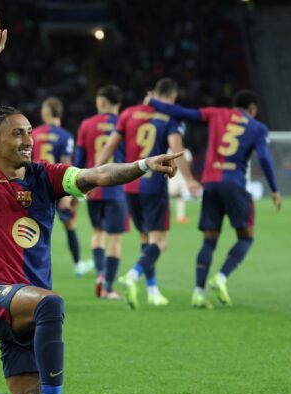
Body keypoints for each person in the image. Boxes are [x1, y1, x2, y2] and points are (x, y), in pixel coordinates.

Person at [0, 16, 182, 394]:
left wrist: (143, 165)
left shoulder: (44, 176)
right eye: (17, 134)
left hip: (27, 304)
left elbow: (97, 174)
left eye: (30, 133)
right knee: (51, 305)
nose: (28, 140)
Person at [148, 89, 281, 308]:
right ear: (253, 110)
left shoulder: (216, 114)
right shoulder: (258, 128)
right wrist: (274, 189)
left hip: (210, 184)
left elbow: (180, 111)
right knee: (246, 237)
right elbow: (265, 158)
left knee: (209, 240)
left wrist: (153, 101)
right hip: (235, 184)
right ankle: (221, 278)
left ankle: (199, 292)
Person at [98, 78, 199, 310]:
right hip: (154, 186)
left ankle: (153, 290)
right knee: (160, 243)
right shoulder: (169, 118)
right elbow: (176, 150)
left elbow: (110, 146)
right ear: (172, 98)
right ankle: (132, 276)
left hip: (130, 185)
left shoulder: (128, 114)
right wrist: (190, 180)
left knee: (145, 240)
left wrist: (94, 174)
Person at [73, 85, 127, 299]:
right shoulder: (124, 123)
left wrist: (77, 188)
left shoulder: (86, 125)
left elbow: (78, 160)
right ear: (118, 104)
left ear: (102, 102)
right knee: (115, 239)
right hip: (117, 189)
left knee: (97, 233)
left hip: (93, 187)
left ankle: (100, 274)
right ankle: (108, 286)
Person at [32, 97, 93, 277]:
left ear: (46, 112)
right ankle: (78, 264)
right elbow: (66, 164)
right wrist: (67, 195)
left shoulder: (34, 134)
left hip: (35, 186)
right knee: (69, 224)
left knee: (33, 227)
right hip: (57, 187)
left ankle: (29, 265)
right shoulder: (65, 136)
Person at [169, 148, 195, 224]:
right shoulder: (170, 150)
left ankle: (180, 217)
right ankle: (166, 215)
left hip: (182, 177)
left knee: (180, 197)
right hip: (173, 177)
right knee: (170, 196)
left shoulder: (186, 151)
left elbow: (190, 164)